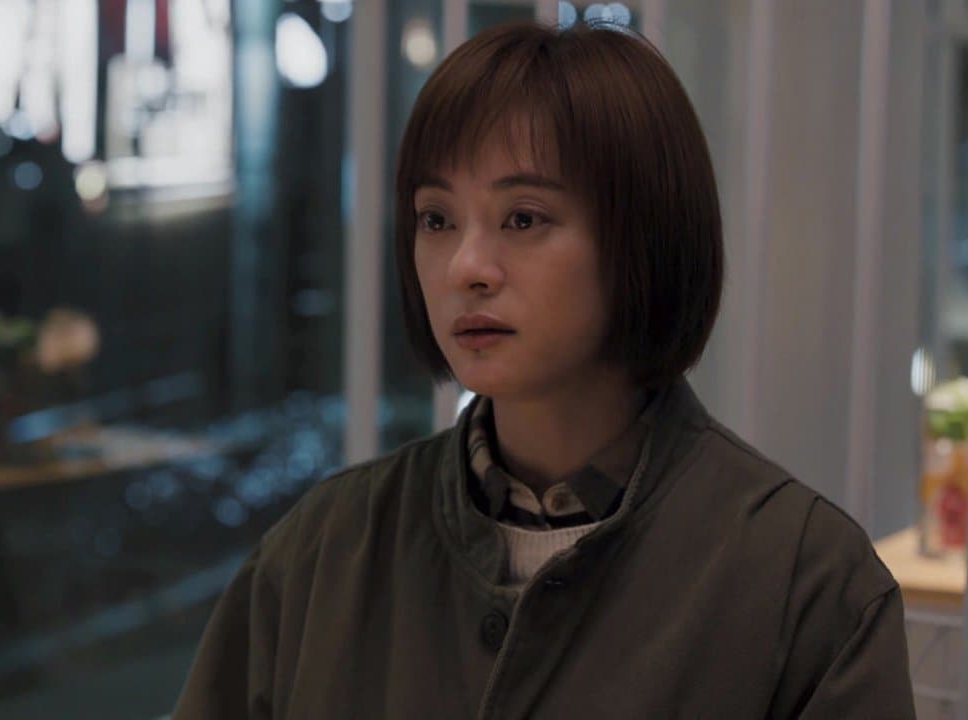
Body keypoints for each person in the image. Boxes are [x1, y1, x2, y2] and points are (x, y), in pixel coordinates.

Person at [172, 20, 915, 719]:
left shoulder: (804, 582)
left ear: (643, 239)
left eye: (523, 218)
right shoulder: (323, 552)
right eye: (437, 219)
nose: (466, 267)